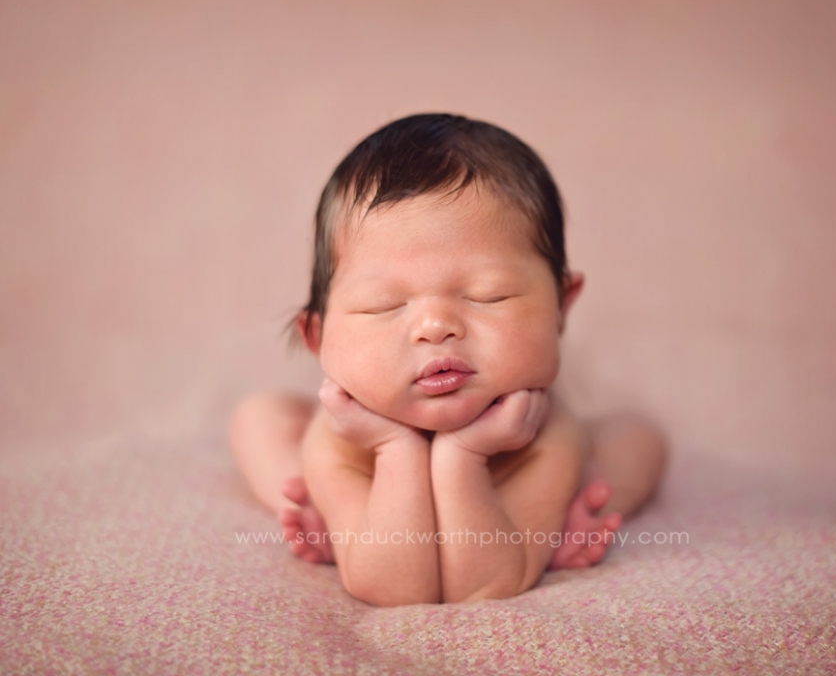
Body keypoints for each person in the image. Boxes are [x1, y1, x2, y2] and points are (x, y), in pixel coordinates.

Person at [230, 113, 666, 606]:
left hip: (519, 457)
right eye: (384, 304)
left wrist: (465, 456)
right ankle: (308, 504)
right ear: (318, 336)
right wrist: (393, 447)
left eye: (490, 295)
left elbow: (479, 585)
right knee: (260, 416)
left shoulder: (543, 434)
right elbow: (395, 586)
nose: (435, 326)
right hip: (358, 450)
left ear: (561, 307)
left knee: (634, 437)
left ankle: (574, 511)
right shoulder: (338, 441)